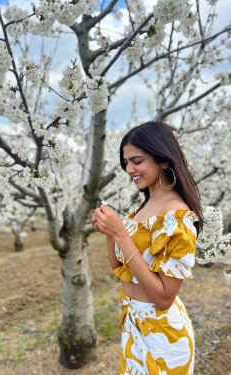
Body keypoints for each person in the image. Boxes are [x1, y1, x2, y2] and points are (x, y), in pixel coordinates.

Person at [91, 121, 204, 375]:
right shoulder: (142, 209)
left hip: (163, 336)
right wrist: (111, 233)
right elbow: (120, 269)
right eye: (126, 162)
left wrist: (120, 233)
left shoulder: (178, 219)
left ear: (164, 160)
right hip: (133, 326)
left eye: (137, 161)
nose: (129, 169)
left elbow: (164, 298)